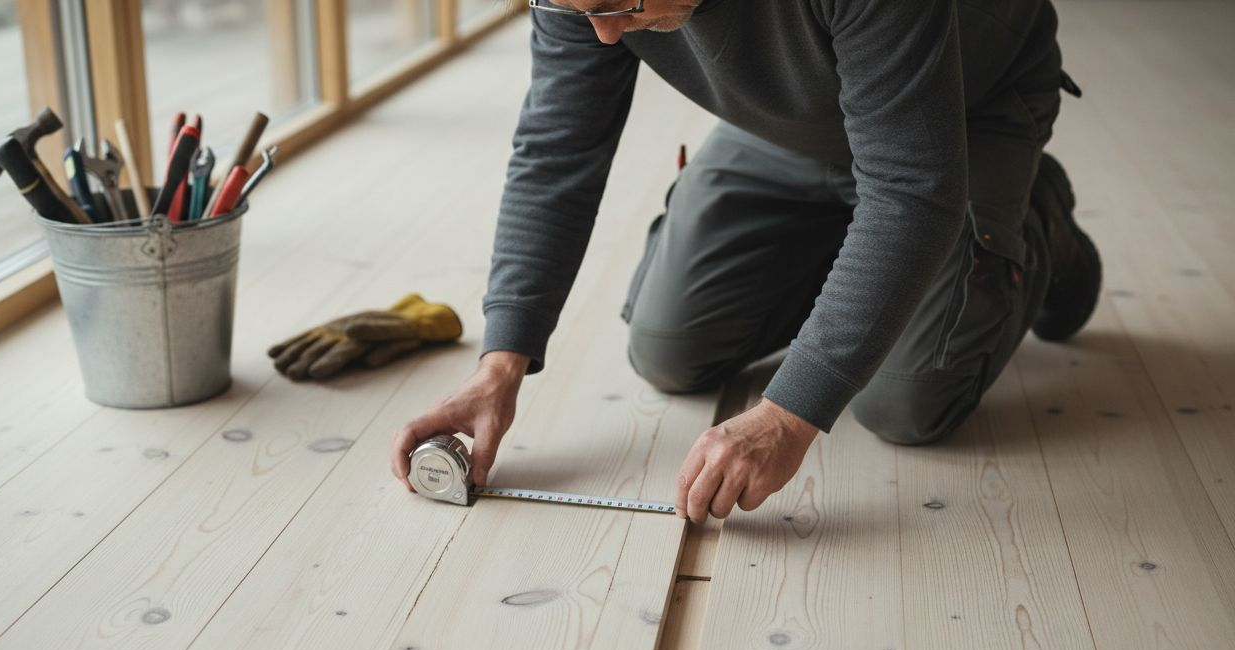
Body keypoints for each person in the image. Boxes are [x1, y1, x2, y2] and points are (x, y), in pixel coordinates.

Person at [389, 0, 1101, 524]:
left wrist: (787, 418)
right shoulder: (585, 1)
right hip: (791, 126)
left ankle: (1037, 223)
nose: (602, 32)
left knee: (906, 403)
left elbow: (915, 189)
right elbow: (557, 149)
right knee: (670, 349)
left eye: (618, 6)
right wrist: (499, 364)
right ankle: (862, 254)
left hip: (961, 117)